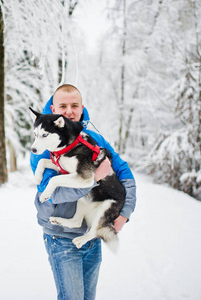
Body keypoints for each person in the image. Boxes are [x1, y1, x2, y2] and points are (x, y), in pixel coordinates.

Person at [30, 84, 137, 300]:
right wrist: (93, 179)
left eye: (74, 105)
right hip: (60, 238)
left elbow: (123, 170)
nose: (69, 111)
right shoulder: (44, 146)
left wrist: (125, 212)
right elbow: (55, 194)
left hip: (90, 236)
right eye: (62, 106)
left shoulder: (92, 138)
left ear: (82, 108)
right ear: (53, 108)